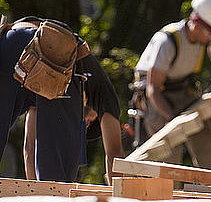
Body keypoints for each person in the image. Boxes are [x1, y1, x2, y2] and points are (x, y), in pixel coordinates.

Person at [0, 16, 124, 183]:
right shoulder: (104, 94)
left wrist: (34, 197)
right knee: (57, 171)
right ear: (97, 115)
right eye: (90, 121)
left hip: (8, 40)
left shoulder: (41, 92)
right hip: (49, 50)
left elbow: (30, 148)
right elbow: (115, 156)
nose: (85, 123)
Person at [133, 0, 211, 170]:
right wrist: (173, 120)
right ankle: (167, 195)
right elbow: (153, 89)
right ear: (196, 25)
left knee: (205, 137)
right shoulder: (167, 41)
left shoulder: (207, 34)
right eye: (210, 34)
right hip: (156, 95)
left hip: (182, 89)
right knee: (169, 150)